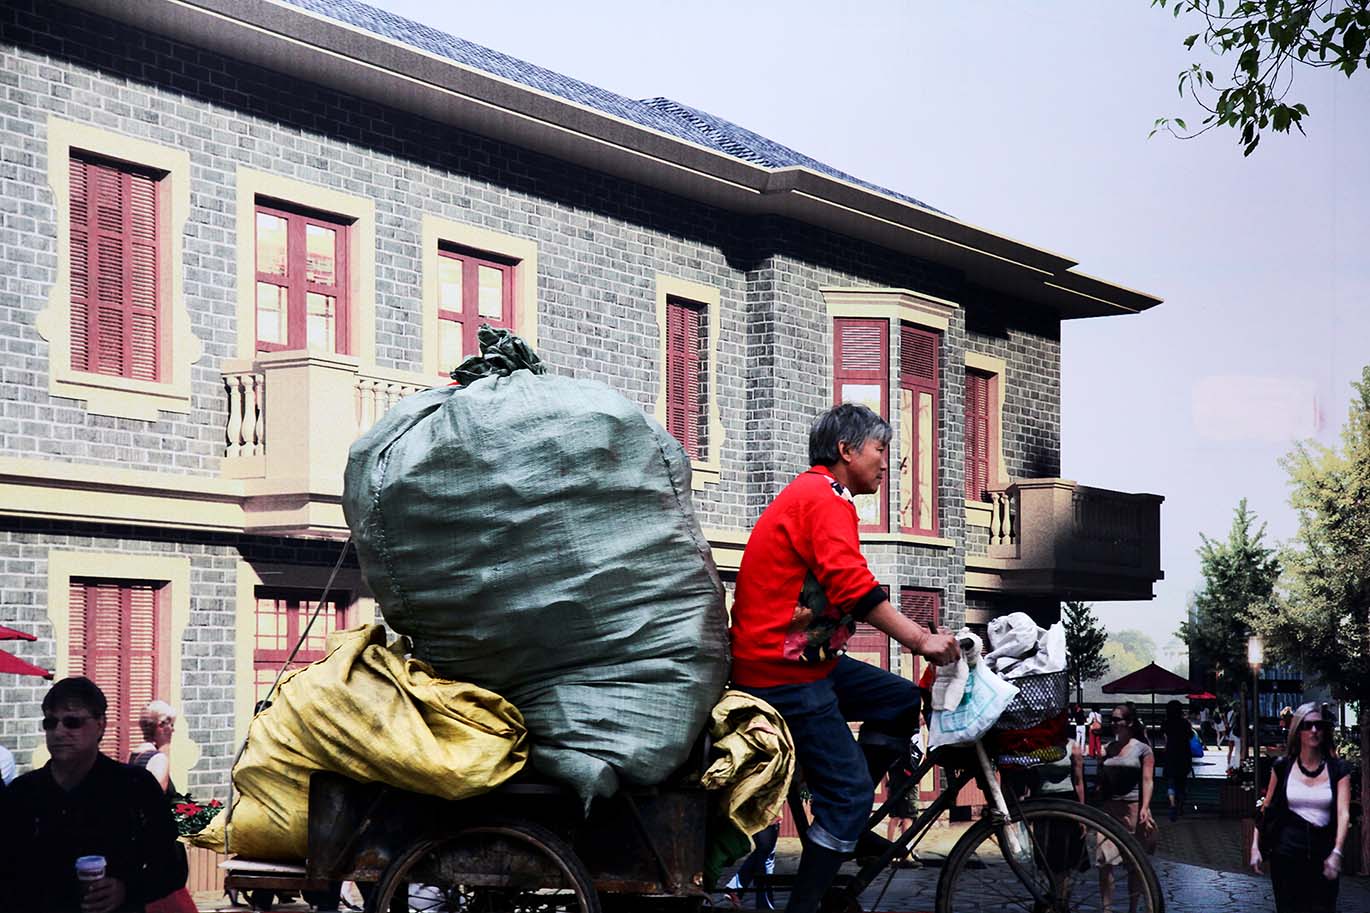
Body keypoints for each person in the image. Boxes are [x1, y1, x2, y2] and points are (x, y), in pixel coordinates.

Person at [728, 404, 959, 913]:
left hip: (810, 661)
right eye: (880, 449)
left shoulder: (820, 496)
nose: (887, 463)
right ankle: (814, 888)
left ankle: (844, 822)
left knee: (901, 700)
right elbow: (852, 586)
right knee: (852, 793)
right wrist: (919, 640)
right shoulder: (822, 497)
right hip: (780, 670)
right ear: (846, 450)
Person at [0, 677, 188, 913]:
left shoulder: (134, 788)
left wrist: (127, 889)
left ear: (100, 725)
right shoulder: (22, 793)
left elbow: (173, 867)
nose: (59, 732)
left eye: (72, 722)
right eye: (50, 722)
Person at [1250, 702, 1352, 913]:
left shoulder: (1338, 769)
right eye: (1307, 725)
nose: (1314, 730)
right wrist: (1255, 847)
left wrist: (1337, 851)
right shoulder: (1282, 767)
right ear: (1297, 731)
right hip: (1286, 853)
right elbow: (1266, 808)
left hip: (1323, 852)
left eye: (1319, 725)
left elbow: (1343, 812)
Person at [129, 702, 197, 913]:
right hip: (161, 851)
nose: (173, 730)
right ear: (161, 726)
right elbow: (154, 805)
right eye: (171, 725)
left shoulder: (135, 755)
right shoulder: (159, 760)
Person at [1095, 703, 1155, 913]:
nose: (1113, 723)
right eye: (1111, 719)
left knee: (1134, 863)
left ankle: (1132, 907)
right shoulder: (1108, 748)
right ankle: (1107, 909)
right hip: (1108, 810)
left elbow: (1147, 780)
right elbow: (1101, 778)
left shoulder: (1143, 749)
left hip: (1133, 809)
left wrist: (1145, 807)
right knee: (1104, 861)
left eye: (1117, 719)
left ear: (1129, 722)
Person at [1161, 700, 1194, 822]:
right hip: (1183, 754)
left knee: (1171, 781)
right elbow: (1190, 736)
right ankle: (1180, 805)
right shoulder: (1185, 723)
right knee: (1182, 781)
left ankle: (1172, 804)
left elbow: (1164, 736)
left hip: (1171, 753)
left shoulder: (1166, 723)